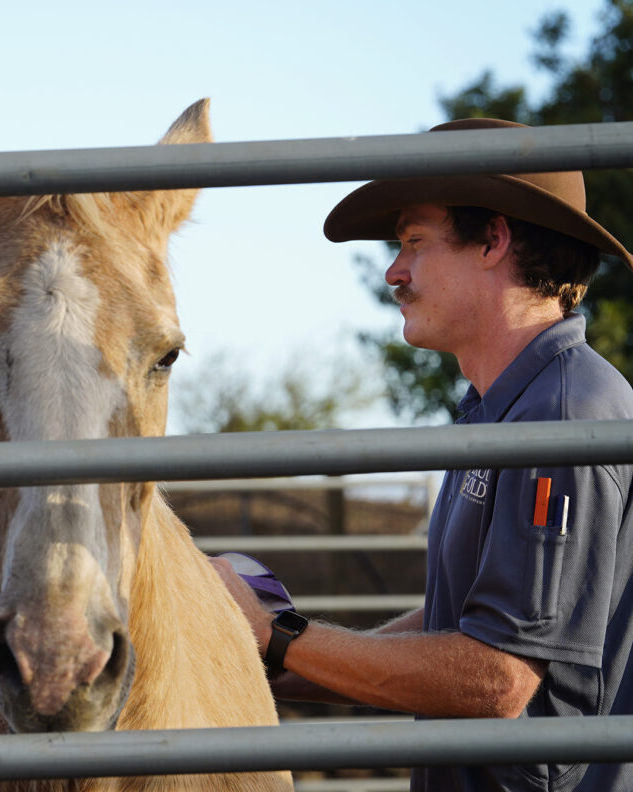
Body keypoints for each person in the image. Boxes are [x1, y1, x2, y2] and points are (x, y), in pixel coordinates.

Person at [211, 119, 633, 791]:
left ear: (494, 240)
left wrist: (282, 634)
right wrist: (280, 654)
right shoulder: (501, 408)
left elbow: (499, 678)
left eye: (414, 241)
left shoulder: (564, 414)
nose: (393, 270)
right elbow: (457, 628)